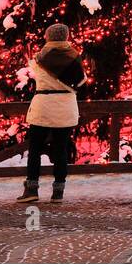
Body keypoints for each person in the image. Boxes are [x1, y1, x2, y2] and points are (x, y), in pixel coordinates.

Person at [17, 23, 88, 203]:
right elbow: (81, 84)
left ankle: (31, 189)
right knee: (61, 149)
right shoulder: (74, 58)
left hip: (43, 106)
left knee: (34, 149)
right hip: (65, 107)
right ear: (66, 37)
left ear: (48, 37)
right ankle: (58, 192)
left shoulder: (40, 59)